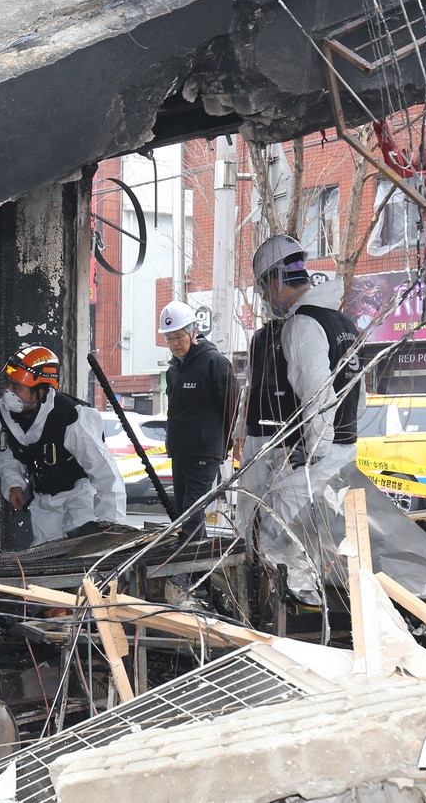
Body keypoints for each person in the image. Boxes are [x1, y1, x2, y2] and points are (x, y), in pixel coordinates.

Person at [239, 235, 365, 597]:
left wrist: (313, 452)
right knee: (320, 542)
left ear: (276, 281)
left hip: (316, 458)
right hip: (343, 451)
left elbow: (317, 394)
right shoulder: (343, 322)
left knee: (274, 536)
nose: (266, 298)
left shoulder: (302, 325)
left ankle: (288, 616)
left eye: (265, 290)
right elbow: (359, 395)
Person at [0, 345, 127, 545]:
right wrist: (14, 484)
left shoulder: (72, 418)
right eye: (8, 384)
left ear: (41, 390)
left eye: (16, 387)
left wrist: (110, 531)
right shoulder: (2, 414)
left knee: (80, 556)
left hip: (80, 499)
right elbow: (3, 454)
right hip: (43, 501)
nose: (8, 393)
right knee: (45, 557)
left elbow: (107, 476)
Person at [158, 300, 240, 539]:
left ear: (194, 331)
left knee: (191, 513)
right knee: (183, 514)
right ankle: (197, 570)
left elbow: (232, 405)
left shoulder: (214, 362)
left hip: (204, 453)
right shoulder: (174, 370)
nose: (174, 344)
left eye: (179, 337)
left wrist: (223, 444)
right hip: (181, 452)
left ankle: (188, 572)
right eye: (169, 338)